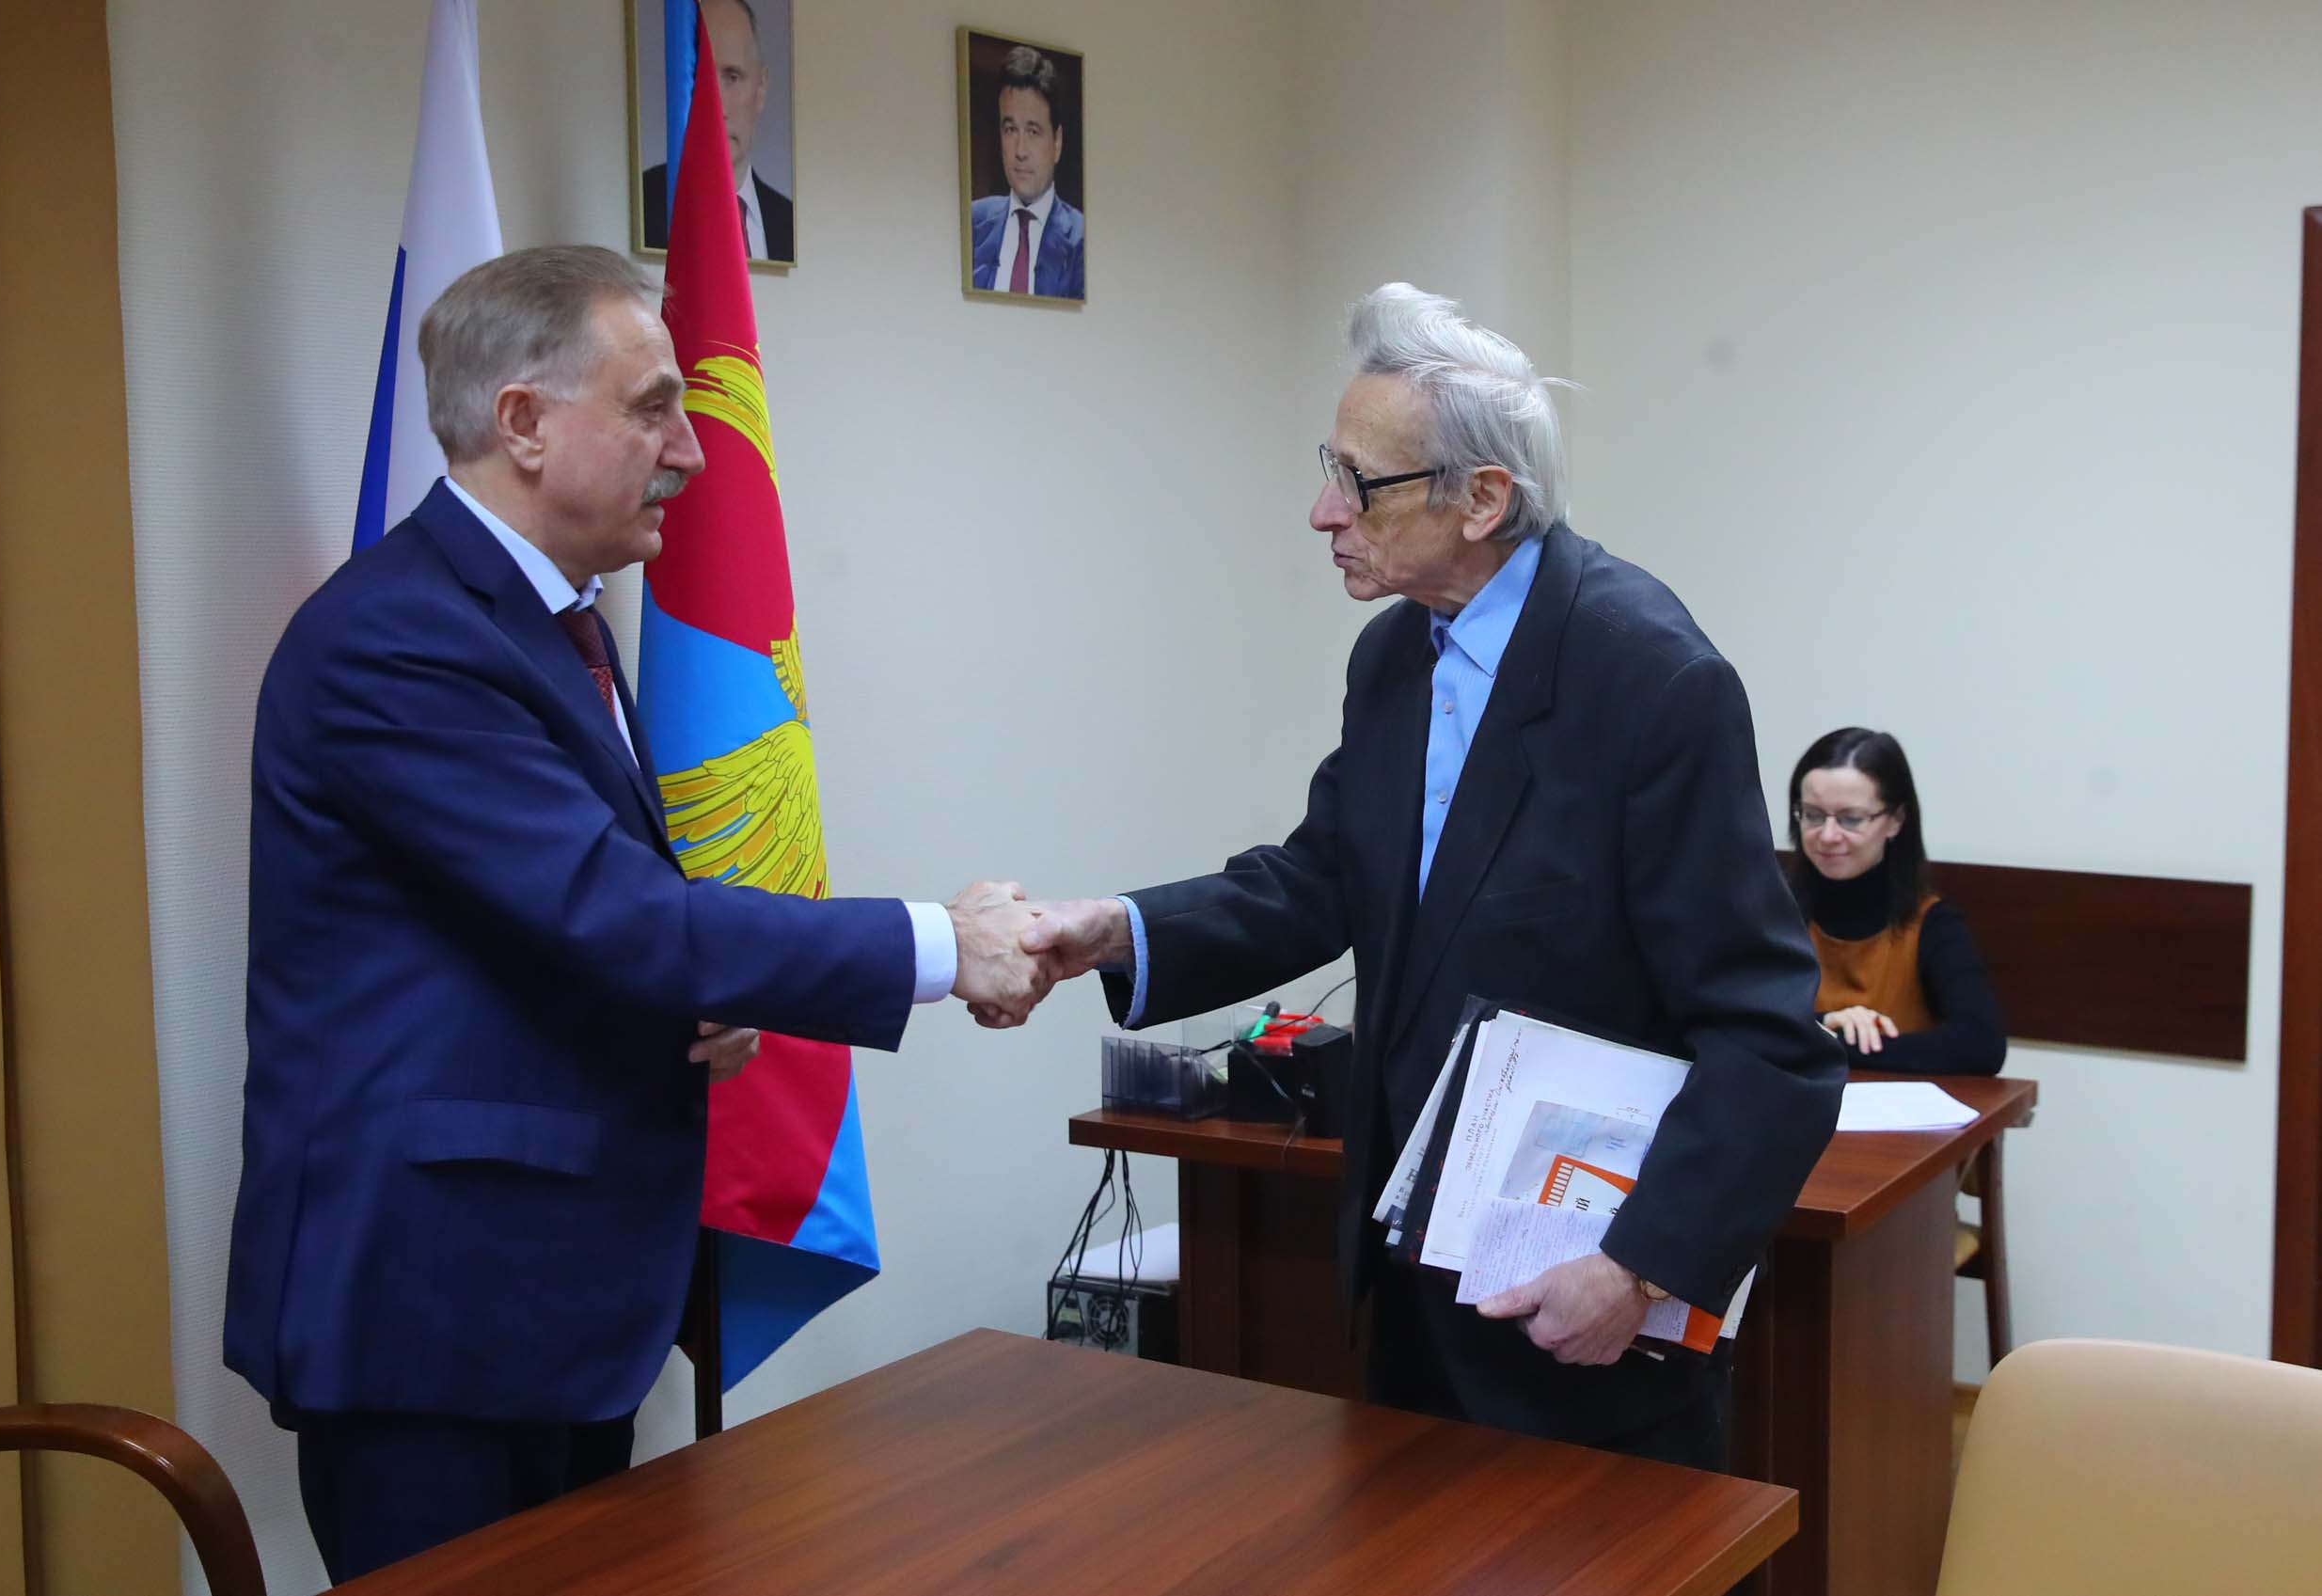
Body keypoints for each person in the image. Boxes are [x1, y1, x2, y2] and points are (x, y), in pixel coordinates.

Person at [224, 245, 1045, 1581]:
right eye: (654, 407)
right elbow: (618, 915)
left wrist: (695, 1003)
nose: (692, 453)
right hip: (434, 1316)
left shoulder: (561, 621)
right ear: (523, 422)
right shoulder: (399, 638)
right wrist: (947, 945)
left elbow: (540, 928)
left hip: (551, 1302)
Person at [1011, 284, 1843, 1468]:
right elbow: (1322, 878)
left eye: (1358, 482)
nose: (1322, 512)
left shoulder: (1649, 678)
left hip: (1585, 1310)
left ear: (1483, 500)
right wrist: (1113, 930)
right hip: (1409, 1279)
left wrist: (1638, 1265)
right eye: (1329, 469)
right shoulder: (1395, 654)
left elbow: (1769, 1038)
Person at [1787, 727, 2006, 1071]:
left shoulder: (1933, 923)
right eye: (1813, 815)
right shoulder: (1771, 914)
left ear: (1896, 820)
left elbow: (1982, 1044)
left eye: (1850, 819)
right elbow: (1738, 1020)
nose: (1828, 835)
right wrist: (1826, 1022)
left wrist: (1831, 1042)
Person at [640, 0, 794, 261]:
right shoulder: (645, 204)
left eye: (732, 77)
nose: (716, 104)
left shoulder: (785, 220)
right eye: (700, 78)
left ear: (761, 88)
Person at [969, 44, 1084, 298]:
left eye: (1033, 131)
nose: (1020, 151)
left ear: (1057, 142)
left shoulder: (1081, 239)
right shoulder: (972, 223)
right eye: (1010, 130)